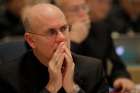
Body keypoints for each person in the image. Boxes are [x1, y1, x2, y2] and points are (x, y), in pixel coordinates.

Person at [0, 3, 108, 93]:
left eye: (64, 28)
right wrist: (51, 87)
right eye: (51, 32)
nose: (61, 38)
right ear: (31, 40)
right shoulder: (8, 76)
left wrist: (72, 88)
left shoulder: (93, 69)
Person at [54, 0, 135, 92]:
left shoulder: (101, 29)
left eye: (84, 7)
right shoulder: (56, 36)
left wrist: (120, 77)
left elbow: (116, 64)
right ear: (61, 13)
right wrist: (73, 42)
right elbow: (61, 68)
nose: (82, 13)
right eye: (75, 9)